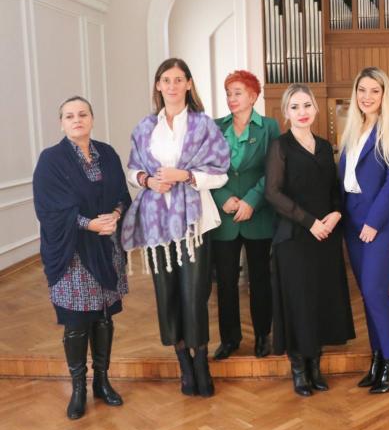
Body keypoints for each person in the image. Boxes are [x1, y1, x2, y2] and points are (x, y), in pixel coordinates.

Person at [121, 58, 229, 398]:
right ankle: (183, 360)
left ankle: (201, 361)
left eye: (178, 79)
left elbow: (221, 173)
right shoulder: (144, 128)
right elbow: (132, 170)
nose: (172, 85)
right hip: (157, 225)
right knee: (166, 294)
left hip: (194, 224)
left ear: (188, 84)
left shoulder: (203, 125)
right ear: (158, 85)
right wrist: (147, 180)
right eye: (166, 80)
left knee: (194, 294)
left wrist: (186, 175)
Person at [33, 96, 131, 420]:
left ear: (92, 118)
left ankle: (102, 381)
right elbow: (49, 209)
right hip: (72, 253)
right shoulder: (51, 160)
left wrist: (115, 215)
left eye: (83, 114)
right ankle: (79, 389)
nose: (77, 120)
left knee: (103, 316)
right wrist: (88, 224)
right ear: (61, 123)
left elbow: (122, 195)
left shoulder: (108, 154)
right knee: (76, 321)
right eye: (69, 116)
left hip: (106, 247)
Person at [265, 83, 355, 397]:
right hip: (294, 236)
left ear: (316, 109)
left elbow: (334, 189)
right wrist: (309, 222)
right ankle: (299, 368)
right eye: (295, 107)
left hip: (325, 237)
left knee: (320, 299)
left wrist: (336, 214)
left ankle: (316, 364)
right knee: (298, 301)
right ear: (285, 113)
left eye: (306, 105)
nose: (302, 112)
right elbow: (272, 193)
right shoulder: (280, 146)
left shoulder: (325, 146)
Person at [338, 67, 389, 394]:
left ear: (384, 95)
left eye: (374, 91)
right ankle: (378, 356)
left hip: (380, 224)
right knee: (367, 296)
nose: (367, 97)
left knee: (375, 291)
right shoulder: (353, 127)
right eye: (362, 90)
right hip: (353, 223)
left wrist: (373, 222)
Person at [210, 70, 280, 360]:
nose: (231, 98)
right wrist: (223, 198)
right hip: (224, 217)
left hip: (258, 215)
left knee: (260, 280)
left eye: (237, 93)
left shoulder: (269, 127)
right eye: (228, 93)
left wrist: (251, 201)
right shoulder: (215, 127)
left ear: (253, 96)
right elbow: (206, 170)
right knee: (225, 283)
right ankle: (230, 339)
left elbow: (274, 170)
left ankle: (263, 335)